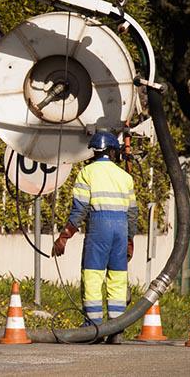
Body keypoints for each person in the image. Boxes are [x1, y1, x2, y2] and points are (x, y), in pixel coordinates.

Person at [52, 131, 138, 344]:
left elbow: (79, 210)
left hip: (99, 228)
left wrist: (64, 236)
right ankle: (116, 329)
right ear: (112, 151)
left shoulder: (86, 173)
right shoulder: (125, 177)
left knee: (92, 276)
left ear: (94, 151)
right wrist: (129, 239)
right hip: (120, 229)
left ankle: (94, 328)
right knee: (118, 278)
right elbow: (133, 213)